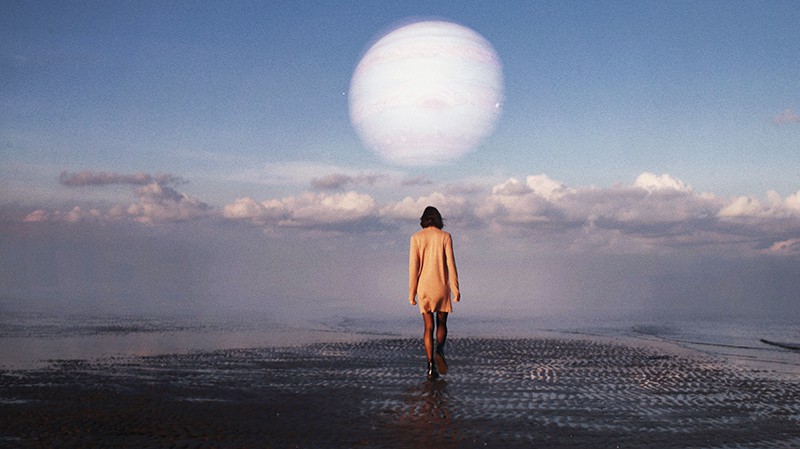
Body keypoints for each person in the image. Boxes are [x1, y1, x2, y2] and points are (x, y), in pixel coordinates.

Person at [408, 206, 461, 379]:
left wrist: (411, 293)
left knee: (428, 327)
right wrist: (455, 289)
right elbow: (451, 264)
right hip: (441, 287)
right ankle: (440, 349)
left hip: (424, 287)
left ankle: (430, 365)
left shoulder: (416, 238)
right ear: (438, 219)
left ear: (423, 219)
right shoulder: (445, 237)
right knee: (442, 324)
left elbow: (413, 267)